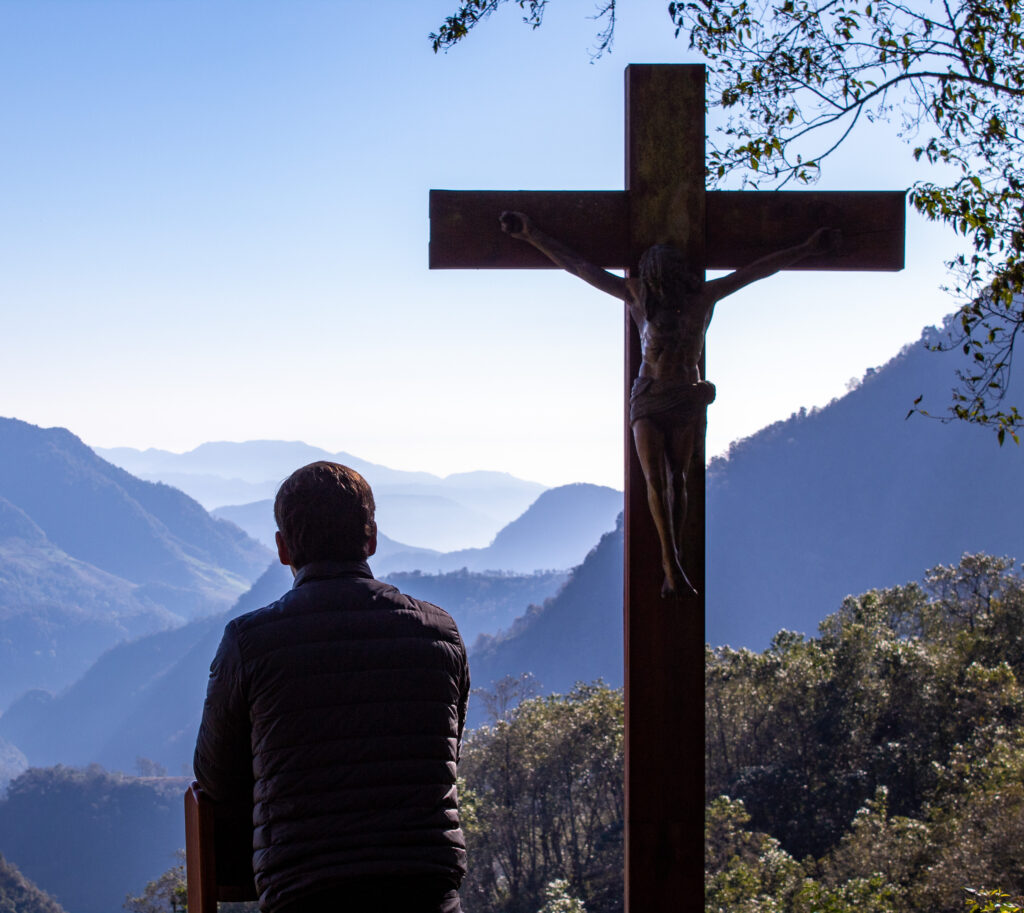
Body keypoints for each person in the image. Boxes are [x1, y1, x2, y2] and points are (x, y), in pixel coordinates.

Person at [500, 211, 840, 598]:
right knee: (656, 481)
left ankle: (674, 556)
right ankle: (670, 562)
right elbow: (580, 267)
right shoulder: (636, 297)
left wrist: (806, 249)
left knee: (678, 479)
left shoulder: (702, 298)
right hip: (648, 395)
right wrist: (532, 234)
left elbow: (757, 270)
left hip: (685, 397)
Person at [194, 461, 470, 913]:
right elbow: (445, 753)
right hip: (427, 892)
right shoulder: (439, 633)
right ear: (372, 537)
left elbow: (215, 777)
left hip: (303, 892)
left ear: (283, 548)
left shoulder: (250, 642)